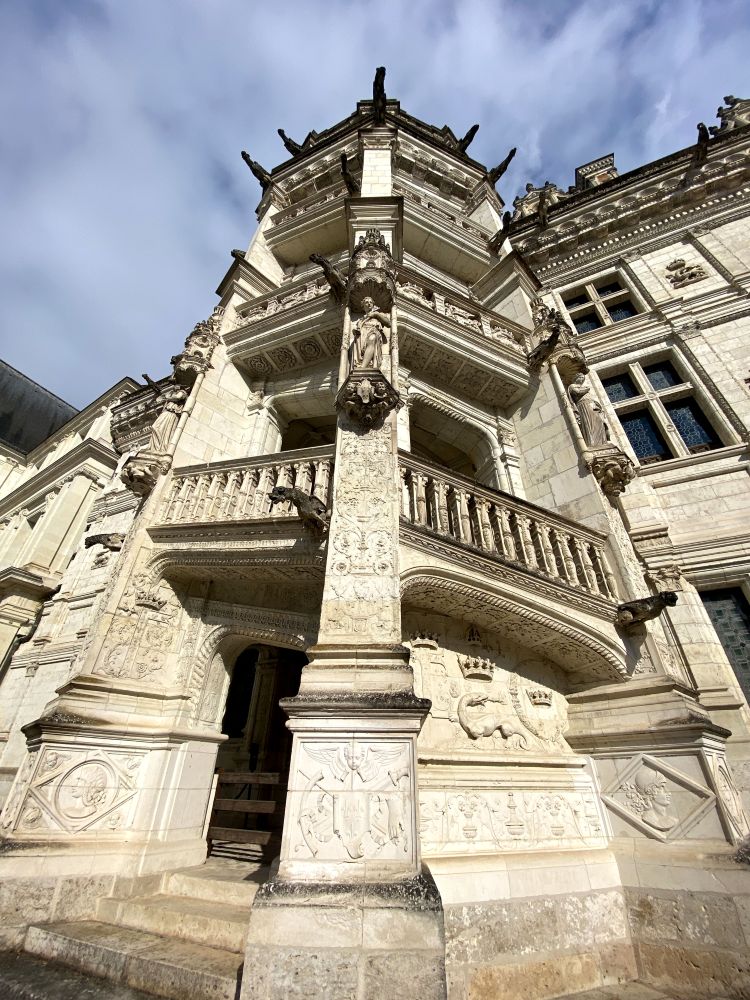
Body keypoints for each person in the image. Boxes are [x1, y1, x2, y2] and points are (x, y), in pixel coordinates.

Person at [567, 373, 609, 446]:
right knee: (589, 422)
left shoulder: (583, 387)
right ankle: (592, 443)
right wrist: (586, 389)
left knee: (598, 421)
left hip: (591, 404)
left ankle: (602, 442)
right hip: (584, 405)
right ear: (575, 378)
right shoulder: (572, 386)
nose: (582, 379)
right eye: (580, 377)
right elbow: (577, 392)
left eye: (583, 378)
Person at [352, 297, 390, 370]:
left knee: (372, 338)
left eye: (371, 302)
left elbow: (388, 324)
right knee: (363, 348)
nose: (369, 303)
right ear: (363, 306)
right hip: (363, 334)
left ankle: (363, 367)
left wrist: (376, 315)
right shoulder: (361, 319)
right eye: (366, 302)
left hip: (373, 331)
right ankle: (363, 363)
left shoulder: (378, 314)